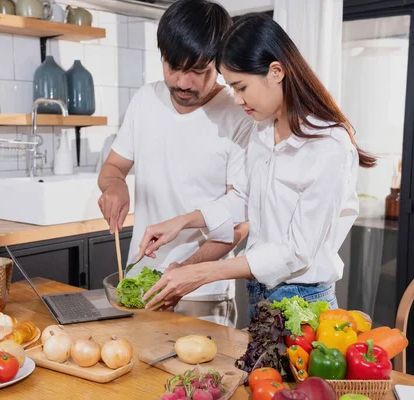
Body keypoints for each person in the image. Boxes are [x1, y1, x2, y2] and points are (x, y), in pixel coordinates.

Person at [138, 13, 376, 318]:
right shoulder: (262, 131)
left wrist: (206, 272)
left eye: (241, 87)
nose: (236, 100)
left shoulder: (329, 144)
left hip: (304, 302)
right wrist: (182, 221)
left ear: (276, 72)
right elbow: (244, 200)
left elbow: (296, 252)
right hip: (260, 294)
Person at [97, 0, 254, 327]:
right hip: (138, 287)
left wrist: (186, 272)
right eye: (173, 67)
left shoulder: (240, 115)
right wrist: (114, 187)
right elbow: (113, 168)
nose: (183, 82)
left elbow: (239, 222)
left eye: (198, 71)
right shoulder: (145, 100)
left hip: (201, 295)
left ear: (220, 63)